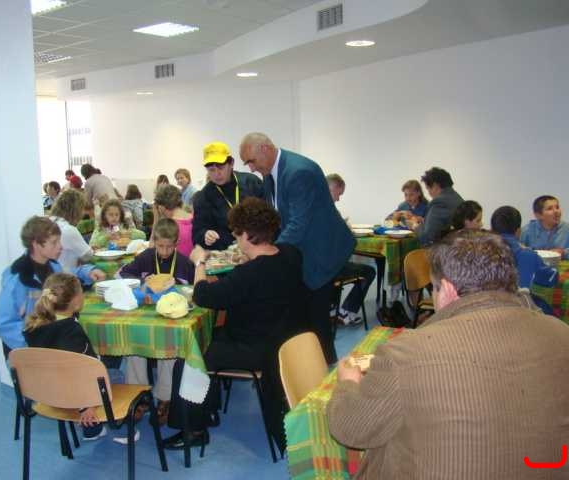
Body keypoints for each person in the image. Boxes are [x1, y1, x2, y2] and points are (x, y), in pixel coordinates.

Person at [328, 229, 569, 480]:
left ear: (447, 289)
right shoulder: (562, 333)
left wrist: (347, 383)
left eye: (433, 288)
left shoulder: (405, 354)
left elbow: (350, 430)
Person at [164, 198, 304, 452]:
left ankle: (194, 430)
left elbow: (202, 295)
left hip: (256, 349)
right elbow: (262, 277)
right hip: (284, 340)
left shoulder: (248, 275)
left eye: (238, 235)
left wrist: (199, 262)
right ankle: (207, 409)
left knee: (190, 354)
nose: (236, 240)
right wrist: (248, 260)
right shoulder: (290, 254)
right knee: (209, 337)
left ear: (248, 235)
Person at [239, 133, 354, 364]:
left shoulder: (298, 172)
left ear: (265, 149)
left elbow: (298, 224)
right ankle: (307, 364)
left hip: (322, 252)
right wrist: (257, 241)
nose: (251, 168)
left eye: (251, 161)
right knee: (302, 312)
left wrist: (267, 254)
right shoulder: (271, 175)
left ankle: (325, 369)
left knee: (316, 315)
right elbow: (276, 218)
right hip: (303, 249)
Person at [119, 218, 195, 426]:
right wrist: (141, 284)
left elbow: (194, 289)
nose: (164, 251)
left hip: (171, 319)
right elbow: (123, 274)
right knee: (133, 348)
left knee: (168, 351)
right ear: (154, 242)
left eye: (169, 247)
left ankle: (165, 399)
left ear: (176, 243)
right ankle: (138, 397)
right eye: (160, 246)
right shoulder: (145, 257)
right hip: (144, 316)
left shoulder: (184, 263)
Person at [0, 216, 106, 354]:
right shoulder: (18, 279)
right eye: (54, 242)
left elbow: (68, 276)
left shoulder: (53, 266)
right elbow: (5, 324)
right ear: (36, 244)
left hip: (54, 340)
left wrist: (87, 272)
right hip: (32, 352)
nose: (60, 246)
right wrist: (37, 345)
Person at [23, 273, 107, 440]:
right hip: (74, 394)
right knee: (114, 373)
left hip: (47, 390)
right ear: (75, 301)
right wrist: (88, 405)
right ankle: (96, 427)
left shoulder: (33, 326)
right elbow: (84, 373)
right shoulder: (72, 331)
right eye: (81, 292)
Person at [192, 141, 263, 250]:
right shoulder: (203, 197)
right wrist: (205, 234)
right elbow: (197, 233)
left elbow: (269, 216)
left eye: (220, 167)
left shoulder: (251, 182)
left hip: (257, 246)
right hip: (226, 253)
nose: (217, 174)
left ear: (231, 163)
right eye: (211, 170)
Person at [326, 174, 376, 324]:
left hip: (318, 267)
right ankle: (346, 312)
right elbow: (344, 242)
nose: (338, 199)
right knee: (369, 271)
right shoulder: (330, 211)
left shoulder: (314, 206)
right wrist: (345, 230)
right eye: (339, 194)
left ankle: (331, 309)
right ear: (331, 188)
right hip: (331, 267)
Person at [491, 205, 556, 289]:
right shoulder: (529, 256)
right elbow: (551, 279)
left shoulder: (480, 253)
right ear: (519, 231)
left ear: (491, 230)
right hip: (519, 297)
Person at [406, 167, 463, 245]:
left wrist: (414, 225)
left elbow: (426, 237)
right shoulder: (457, 197)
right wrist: (425, 222)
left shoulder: (439, 203)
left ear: (436, 186)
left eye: (428, 189)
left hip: (443, 248)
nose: (429, 193)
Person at [49, 189, 94, 272]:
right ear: (77, 210)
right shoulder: (68, 230)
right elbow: (88, 256)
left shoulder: (49, 222)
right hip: (66, 275)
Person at [520, 195, 569, 259]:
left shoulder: (566, 229)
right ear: (538, 215)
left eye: (557, 207)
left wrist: (564, 253)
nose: (556, 211)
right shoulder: (526, 231)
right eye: (550, 209)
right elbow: (518, 251)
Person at [154, 185, 193, 257]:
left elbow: (152, 251)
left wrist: (156, 219)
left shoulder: (168, 227)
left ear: (161, 207)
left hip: (177, 263)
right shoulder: (196, 218)